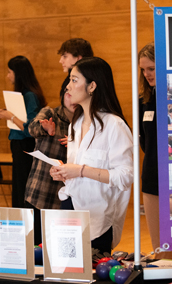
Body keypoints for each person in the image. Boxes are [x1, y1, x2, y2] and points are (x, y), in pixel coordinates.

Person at [50, 57, 133, 254]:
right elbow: (76, 170)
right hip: (69, 206)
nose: (68, 87)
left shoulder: (115, 125)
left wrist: (80, 170)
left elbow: (125, 176)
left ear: (92, 86)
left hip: (98, 219)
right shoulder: (75, 125)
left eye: (74, 80)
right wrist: (63, 172)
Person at [24, 81, 76, 245]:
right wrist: (46, 130)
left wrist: (76, 143)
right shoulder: (50, 112)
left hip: (65, 194)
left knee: (56, 245)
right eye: (68, 94)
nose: (72, 99)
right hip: (40, 190)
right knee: (35, 245)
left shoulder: (84, 122)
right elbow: (32, 127)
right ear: (63, 95)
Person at [0, 56, 46, 208]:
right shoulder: (25, 94)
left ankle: (26, 225)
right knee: (19, 186)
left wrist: (10, 116)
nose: (8, 76)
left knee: (23, 187)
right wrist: (5, 113)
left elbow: (30, 127)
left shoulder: (30, 95)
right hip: (19, 145)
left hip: (25, 145)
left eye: (10, 72)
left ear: (18, 74)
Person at [137, 43, 172, 259]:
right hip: (152, 176)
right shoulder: (145, 100)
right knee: (161, 248)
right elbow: (145, 140)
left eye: (151, 68)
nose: (146, 74)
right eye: (143, 69)